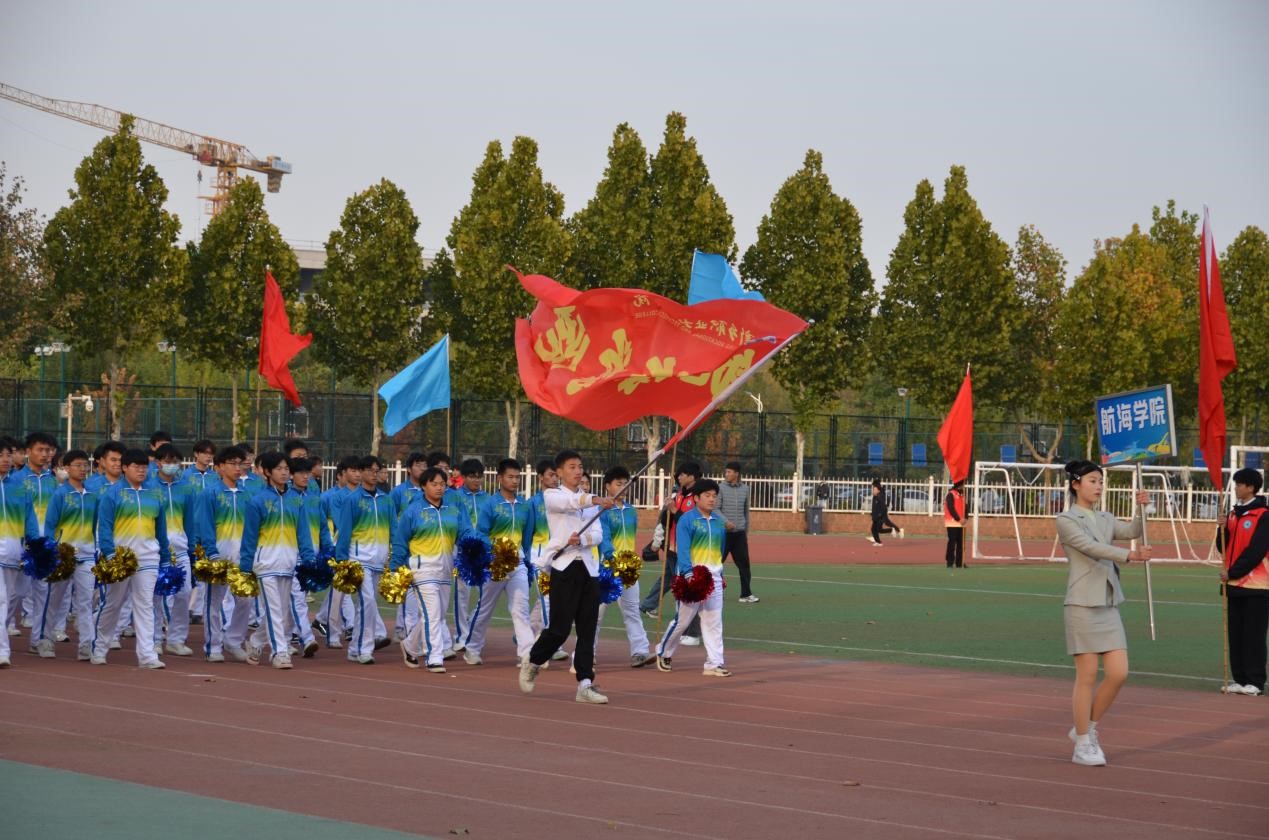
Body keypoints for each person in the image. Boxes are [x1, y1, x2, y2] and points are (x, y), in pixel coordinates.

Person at [1055, 459, 1149, 767]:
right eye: (1092, 481)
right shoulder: (1066, 519)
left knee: (1119, 673)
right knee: (1086, 676)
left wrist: (1142, 509)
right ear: (1075, 484)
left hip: (1108, 604)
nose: (1098, 487)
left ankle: (1087, 727)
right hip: (1082, 604)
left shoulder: (1106, 517)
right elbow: (1091, 547)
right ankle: (1083, 744)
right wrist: (1129, 555)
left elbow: (1133, 530)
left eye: (1100, 481)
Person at [519, 450, 614, 703]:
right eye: (572, 467)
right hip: (564, 568)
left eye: (580, 466)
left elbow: (598, 534)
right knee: (559, 629)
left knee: (587, 629)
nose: (578, 471)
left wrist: (582, 539)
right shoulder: (553, 496)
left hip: (589, 569)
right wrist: (596, 499)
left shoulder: (589, 503)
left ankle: (585, 684)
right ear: (559, 472)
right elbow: (571, 503)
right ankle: (534, 660)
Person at [93, 449, 172, 668]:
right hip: (120, 560)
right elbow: (104, 528)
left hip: (148, 558)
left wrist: (165, 557)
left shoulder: (154, 494)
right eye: (136, 466)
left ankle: (147, 655)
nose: (141, 471)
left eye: (144, 467)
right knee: (113, 605)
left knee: (145, 605)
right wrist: (110, 554)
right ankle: (99, 648)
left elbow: (161, 530)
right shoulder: (112, 494)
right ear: (125, 468)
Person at [391, 467, 474, 673]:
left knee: (436, 615)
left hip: (446, 569)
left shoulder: (452, 510)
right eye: (434, 484)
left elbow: (465, 533)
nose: (439, 488)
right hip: (422, 569)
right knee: (433, 614)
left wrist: (474, 550)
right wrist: (395, 569)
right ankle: (434, 657)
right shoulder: (413, 511)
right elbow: (400, 541)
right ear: (423, 486)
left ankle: (410, 646)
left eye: (442, 484)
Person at [239, 451, 315, 669]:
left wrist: (309, 558)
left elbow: (303, 533)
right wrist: (245, 567)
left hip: (289, 564)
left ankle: (255, 642)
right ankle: (279, 652)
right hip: (265, 564)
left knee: (281, 612)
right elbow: (249, 537)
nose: (284, 473)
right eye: (279, 469)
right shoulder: (257, 501)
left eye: (286, 469)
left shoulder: (296, 501)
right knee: (274, 610)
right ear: (267, 472)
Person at [655, 478, 731, 677]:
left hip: (713, 579)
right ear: (696, 498)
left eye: (714, 496)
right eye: (707, 495)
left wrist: (720, 574)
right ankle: (663, 652)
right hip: (691, 578)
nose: (712, 499)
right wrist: (688, 574)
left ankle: (714, 663)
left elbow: (720, 551)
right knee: (682, 621)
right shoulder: (687, 520)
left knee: (714, 622)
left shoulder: (718, 523)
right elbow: (683, 550)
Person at [464, 458, 534, 667]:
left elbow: (527, 536)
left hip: (518, 564)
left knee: (521, 608)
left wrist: (523, 557)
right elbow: (481, 533)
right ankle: (472, 649)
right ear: (499, 478)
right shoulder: (490, 504)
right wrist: (494, 552)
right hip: (493, 564)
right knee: (485, 608)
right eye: (510, 477)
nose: (515, 481)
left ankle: (526, 654)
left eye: (517, 477)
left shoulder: (524, 506)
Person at [145, 443, 203, 657]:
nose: (172, 465)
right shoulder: (149, 486)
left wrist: (191, 547)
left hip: (180, 549)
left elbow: (190, 520)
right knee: (157, 596)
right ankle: (155, 639)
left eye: (175, 462)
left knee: (184, 593)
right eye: (168, 461)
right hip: (156, 551)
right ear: (158, 463)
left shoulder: (185, 488)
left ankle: (176, 639)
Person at [40, 449, 99, 660]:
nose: (83, 469)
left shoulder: (92, 495)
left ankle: (86, 645)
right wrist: (52, 551)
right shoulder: (60, 494)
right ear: (67, 468)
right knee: (54, 601)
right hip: (63, 555)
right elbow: (50, 525)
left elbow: (95, 524)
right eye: (78, 465)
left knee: (85, 602)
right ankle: (45, 640)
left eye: (85, 465)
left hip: (86, 556)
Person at [334, 455, 393, 664]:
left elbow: (393, 529)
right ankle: (365, 648)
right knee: (367, 601)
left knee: (366, 604)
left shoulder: (386, 500)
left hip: (379, 561)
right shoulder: (352, 500)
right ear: (361, 472)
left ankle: (354, 648)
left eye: (377, 471)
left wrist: (395, 556)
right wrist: (342, 560)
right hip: (358, 560)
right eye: (370, 470)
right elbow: (345, 531)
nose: (374, 474)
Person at [195, 446, 251, 662]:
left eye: (240, 464)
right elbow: (205, 525)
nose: (238, 468)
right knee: (213, 602)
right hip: (218, 556)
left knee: (245, 601)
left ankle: (233, 640)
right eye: (232, 463)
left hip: (242, 557)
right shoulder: (209, 493)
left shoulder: (248, 495)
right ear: (219, 467)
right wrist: (211, 553)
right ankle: (213, 646)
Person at [1219, 467, 1268, 697]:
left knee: (1254, 635)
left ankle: (1255, 681)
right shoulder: (1233, 514)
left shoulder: (1264, 515)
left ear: (1251, 487)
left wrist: (1233, 572)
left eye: (1239, 484)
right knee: (1236, 634)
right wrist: (1221, 529)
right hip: (1234, 585)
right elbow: (1223, 547)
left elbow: (1256, 551)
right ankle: (1239, 679)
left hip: (1257, 585)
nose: (1236, 488)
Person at [597, 465, 652, 667]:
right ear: (607, 486)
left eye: (625, 484)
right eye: (618, 484)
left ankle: (640, 651)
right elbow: (603, 537)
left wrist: (628, 563)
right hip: (606, 569)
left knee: (632, 611)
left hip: (628, 570)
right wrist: (612, 558)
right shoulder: (602, 511)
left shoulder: (631, 511)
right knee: (596, 615)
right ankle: (585, 654)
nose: (623, 487)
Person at [0, 436, 41, 668]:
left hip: (13, 554)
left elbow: (29, 518)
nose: (5, 459)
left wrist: (35, 545)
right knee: (1, 600)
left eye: (8, 455)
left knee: (12, 599)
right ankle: (2, 651)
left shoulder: (19, 487)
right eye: (1, 455)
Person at [289, 456, 331, 659]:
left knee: (296, 599)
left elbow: (323, 526)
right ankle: (307, 638)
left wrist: (327, 549)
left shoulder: (315, 499)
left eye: (307, 473)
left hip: (311, 556)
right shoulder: (286, 498)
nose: (306, 477)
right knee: (297, 598)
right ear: (291, 475)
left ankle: (285, 637)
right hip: (290, 554)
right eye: (301, 473)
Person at [447, 458, 488, 652]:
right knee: (462, 594)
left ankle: (471, 629)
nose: (476, 480)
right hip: (461, 550)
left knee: (485, 594)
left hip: (483, 551)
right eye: (472, 476)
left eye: (479, 477)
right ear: (463, 477)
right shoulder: (455, 497)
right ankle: (461, 636)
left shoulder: (488, 499)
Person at [719, 461, 757, 604]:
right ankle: (714, 593)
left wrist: (745, 531)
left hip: (739, 534)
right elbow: (715, 509)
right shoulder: (720, 488)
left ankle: (746, 594)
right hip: (723, 534)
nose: (726, 474)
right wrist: (725, 522)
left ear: (737, 474)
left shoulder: (745, 489)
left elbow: (746, 511)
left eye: (729, 472)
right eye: (726, 471)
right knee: (716, 564)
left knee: (744, 565)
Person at [867, 480, 903, 546]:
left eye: (874, 489)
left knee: (877, 529)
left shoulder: (880, 497)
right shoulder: (875, 496)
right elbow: (875, 507)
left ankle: (893, 531)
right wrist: (873, 513)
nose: (873, 491)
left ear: (878, 490)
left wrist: (880, 514)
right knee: (876, 529)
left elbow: (882, 506)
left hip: (880, 516)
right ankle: (879, 541)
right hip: (876, 516)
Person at [944, 480, 966, 568]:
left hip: (961, 523)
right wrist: (958, 519)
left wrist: (966, 517)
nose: (964, 486)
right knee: (952, 543)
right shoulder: (951, 494)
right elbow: (951, 508)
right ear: (959, 485)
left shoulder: (962, 495)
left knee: (961, 544)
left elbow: (965, 507)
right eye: (963, 485)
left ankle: (959, 562)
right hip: (952, 523)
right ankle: (950, 562)